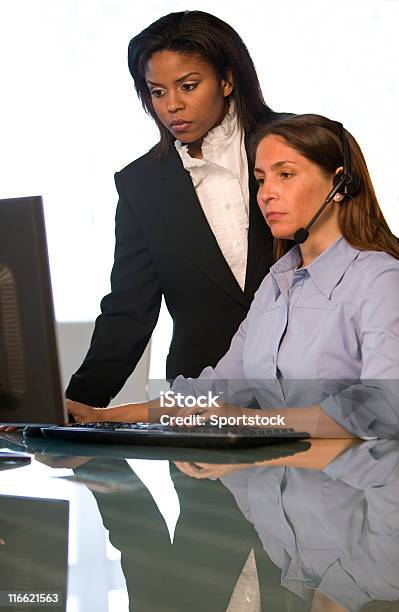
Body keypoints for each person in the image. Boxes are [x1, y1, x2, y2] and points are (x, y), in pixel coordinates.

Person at [69, 114, 399, 438]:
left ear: (340, 185)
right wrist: (99, 416)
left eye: (285, 174)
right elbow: (216, 390)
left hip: (350, 487)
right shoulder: (275, 284)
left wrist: (255, 421)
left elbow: (384, 406)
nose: (267, 193)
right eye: (260, 180)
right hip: (271, 485)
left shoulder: (380, 279)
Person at [65, 10, 288, 411]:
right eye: (157, 92)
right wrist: (78, 403)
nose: (173, 106)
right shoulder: (140, 184)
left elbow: (360, 250)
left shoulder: (300, 146)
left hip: (310, 385)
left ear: (226, 79)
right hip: (198, 400)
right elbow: (129, 308)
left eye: (188, 86)